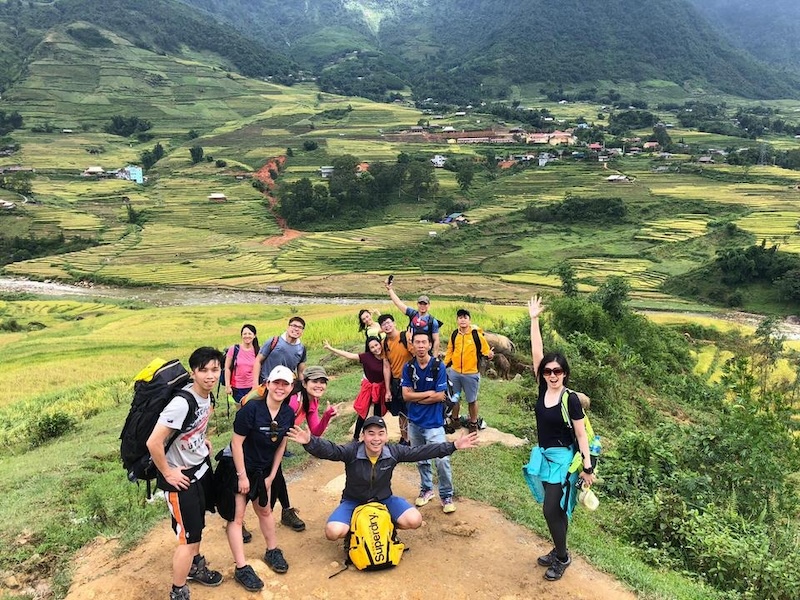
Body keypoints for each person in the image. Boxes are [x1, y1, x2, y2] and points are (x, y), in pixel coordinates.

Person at [286, 415, 479, 542]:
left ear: (386, 436)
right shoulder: (352, 451)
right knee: (333, 532)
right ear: (363, 436)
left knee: (414, 520)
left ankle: (386, 527)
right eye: (371, 434)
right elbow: (332, 451)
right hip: (354, 501)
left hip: (383, 499)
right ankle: (356, 532)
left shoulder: (393, 451)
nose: (376, 438)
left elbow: (421, 451)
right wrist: (311, 442)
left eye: (380, 433)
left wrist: (452, 446)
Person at [526, 295, 596, 581]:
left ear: (565, 374)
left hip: (563, 459)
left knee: (550, 507)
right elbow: (537, 352)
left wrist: (587, 468)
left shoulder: (571, 399)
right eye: (547, 371)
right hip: (544, 455)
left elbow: (580, 434)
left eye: (557, 371)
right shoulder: (543, 391)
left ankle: (563, 556)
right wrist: (534, 320)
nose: (552, 374)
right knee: (553, 509)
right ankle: (558, 549)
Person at [146, 347, 224, 600]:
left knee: (196, 526)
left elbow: (197, 425)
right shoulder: (181, 402)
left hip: (200, 469)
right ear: (193, 373)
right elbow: (153, 442)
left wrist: (204, 440)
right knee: (188, 539)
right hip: (181, 480)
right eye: (204, 370)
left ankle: (194, 566)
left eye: (215, 369)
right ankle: (178, 590)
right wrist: (167, 473)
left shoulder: (208, 397)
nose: (210, 376)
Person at [225, 365, 296, 592]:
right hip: (240, 467)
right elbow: (236, 443)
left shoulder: (287, 413)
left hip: (264, 470)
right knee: (237, 517)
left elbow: (282, 443)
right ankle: (241, 567)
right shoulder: (251, 410)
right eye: (276, 383)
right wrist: (242, 476)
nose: (280, 387)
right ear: (267, 385)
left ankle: (272, 550)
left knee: (265, 510)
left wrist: (272, 475)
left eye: (285, 384)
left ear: (291, 388)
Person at [270, 365, 344, 533]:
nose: (319, 385)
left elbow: (315, 432)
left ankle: (286, 511)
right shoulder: (295, 400)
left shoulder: (312, 400)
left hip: (277, 440)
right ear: (304, 383)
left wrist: (326, 416)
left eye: (322, 382)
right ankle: (237, 519)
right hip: (265, 439)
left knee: (276, 476)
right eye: (315, 381)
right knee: (262, 477)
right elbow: (276, 423)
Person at [402, 331, 457, 514]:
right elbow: (405, 395)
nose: (420, 346)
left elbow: (441, 395)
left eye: (424, 342)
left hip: (434, 423)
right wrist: (428, 395)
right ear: (413, 345)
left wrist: (415, 398)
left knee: (442, 460)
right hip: (415, 422)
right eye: (417, 342)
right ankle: (426, 489)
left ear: (429, 344)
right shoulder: (408, 367)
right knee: (420, 459)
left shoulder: (438, 366)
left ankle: (446, 494)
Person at [323, 336, 387, 440]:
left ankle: (376, 436)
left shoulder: (386, 356)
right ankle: (356, 437)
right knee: (362, 412)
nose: (375, 348)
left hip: (381, 388)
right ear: (369, 349)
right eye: (372, 347)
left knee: (378, 414)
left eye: (376, 345)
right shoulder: (366, 357)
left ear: (380, 344)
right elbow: (349, 355)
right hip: (369, 388)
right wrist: (331, 348)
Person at [444, 309, 494, 434]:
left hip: (471, 373)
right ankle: (455, 420)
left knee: (472, 400)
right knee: (454, 398)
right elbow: (450, 351)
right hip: (454, 372)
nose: (462, 320)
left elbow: (485, 351)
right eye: (460, 317)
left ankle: (473, 423)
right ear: (457, 320)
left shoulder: (476, 335)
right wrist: (443, 365)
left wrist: (489, 354)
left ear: (469, 320)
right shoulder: (454, 334)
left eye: (465, 317)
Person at [378, 313, 413, 445]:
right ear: (381, 328)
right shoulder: (384, 343)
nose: (387, 326)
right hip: (397, 381)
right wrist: (387, 389)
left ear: (394, 323)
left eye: (388, 322)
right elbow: (386, 366)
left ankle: (416, 438)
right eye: (383, 324)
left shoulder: (406, 336)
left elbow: (417, 354)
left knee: (413, 410)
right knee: (401, 412)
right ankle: (405, 439)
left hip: (411, 381)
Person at [385, 278, 441, 356]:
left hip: (425, 352)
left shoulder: (432, 321)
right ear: (417, 304)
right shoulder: (412, 313)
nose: (422, 306)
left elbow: (436, 340)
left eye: (425, 304)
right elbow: (398, 303)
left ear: (428, 305)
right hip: (411, 350)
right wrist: (390, 289)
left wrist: (435, 358)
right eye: (420, 304)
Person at [252, 316, 307, 387]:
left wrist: (303, 388)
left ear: (302, 331)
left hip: (285, 387)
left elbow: (301, 372)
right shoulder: (274, 341)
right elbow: (258, 360)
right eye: (294, 326)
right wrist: (255, 384)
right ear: (288, 327)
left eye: (300, 327)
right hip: (266, 384)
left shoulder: (302, 349)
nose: (296, 329)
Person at [224, 324, 260, 406]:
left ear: (254, 336)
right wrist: (227, 386)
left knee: (251, 409)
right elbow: (227, 368)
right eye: (245, 334)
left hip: (252, 387)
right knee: (240, 410)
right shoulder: (234, 349)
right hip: (237, 387)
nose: (247, 336)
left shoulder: (258, 351)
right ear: (241, 336)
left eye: (249, 334)